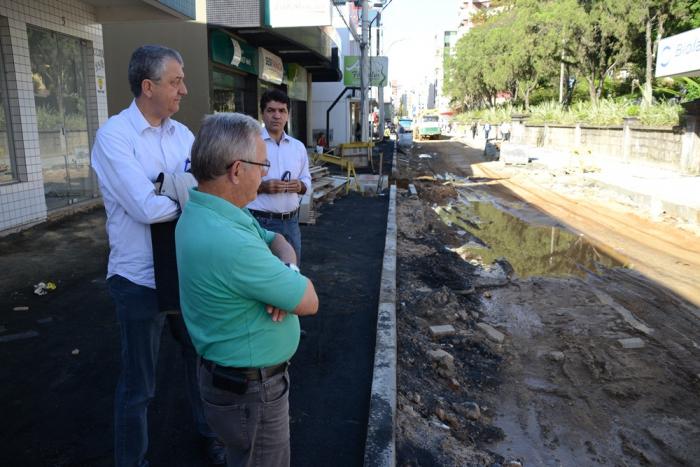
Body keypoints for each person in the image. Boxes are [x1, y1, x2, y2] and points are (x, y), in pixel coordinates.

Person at [90, 45, 224, 466]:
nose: (184, 89)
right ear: (148, 87)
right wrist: (188, 192)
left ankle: (211, 436)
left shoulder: (183, 135)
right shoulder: (114, 136)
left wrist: (172, 188)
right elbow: (146, 209)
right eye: (176, 81)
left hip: (184, 271)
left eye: (182, 80)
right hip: (139, 280)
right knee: (139, 386)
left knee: (200, 362)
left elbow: (209, 190)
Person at [175, 112, 319, 466]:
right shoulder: (231, 241)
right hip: (252, 394)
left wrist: (285, 271)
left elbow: (279, 239)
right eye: (262, 164)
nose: (266, 173)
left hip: (232, 383)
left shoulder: (208, 212)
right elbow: (309, 300)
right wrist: (289, 284)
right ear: (237, 170)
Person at [247, 89, 311, 263]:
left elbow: (307, 180)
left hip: (291, 222)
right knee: (262, 272)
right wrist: (263, 187)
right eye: (271, 110)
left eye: (282, 111)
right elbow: (236, 183)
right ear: (262, 114)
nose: (277, 116)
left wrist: (300, 186)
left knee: (293, 271)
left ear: (288, 114)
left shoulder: (298, 147)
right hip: (260, 221)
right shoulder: (249, 143)